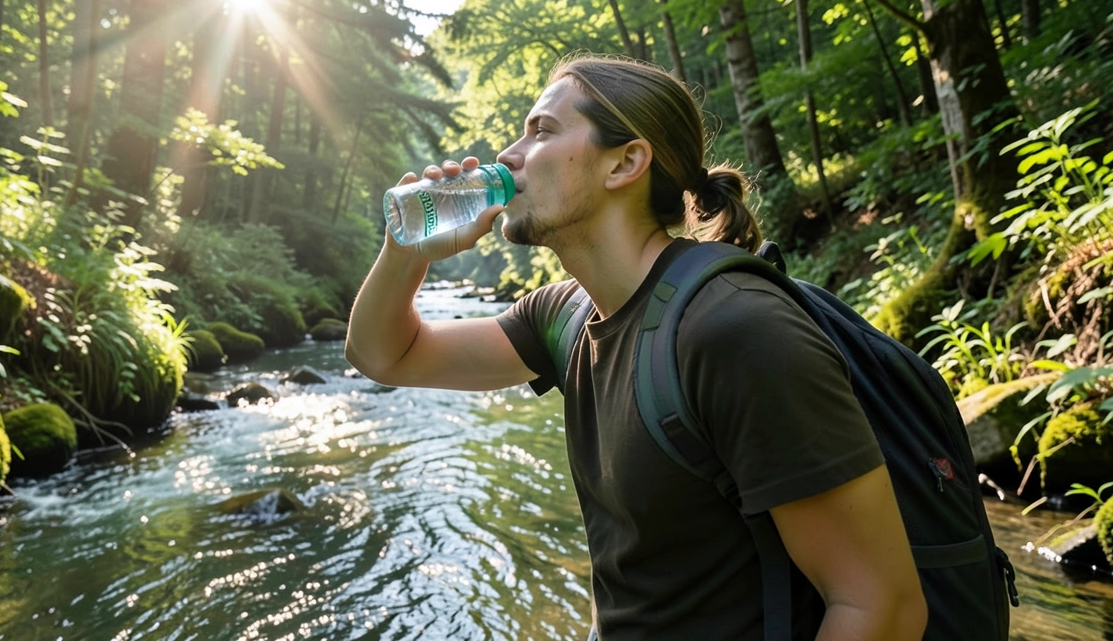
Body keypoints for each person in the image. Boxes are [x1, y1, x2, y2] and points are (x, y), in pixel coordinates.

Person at [344, 54, 927, 640]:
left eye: (541, 130)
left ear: (625, 163)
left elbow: (880, 606)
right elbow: (384, 355)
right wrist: (404, 252)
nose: (506, 156)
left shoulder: (734, 329)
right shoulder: (564, 316)